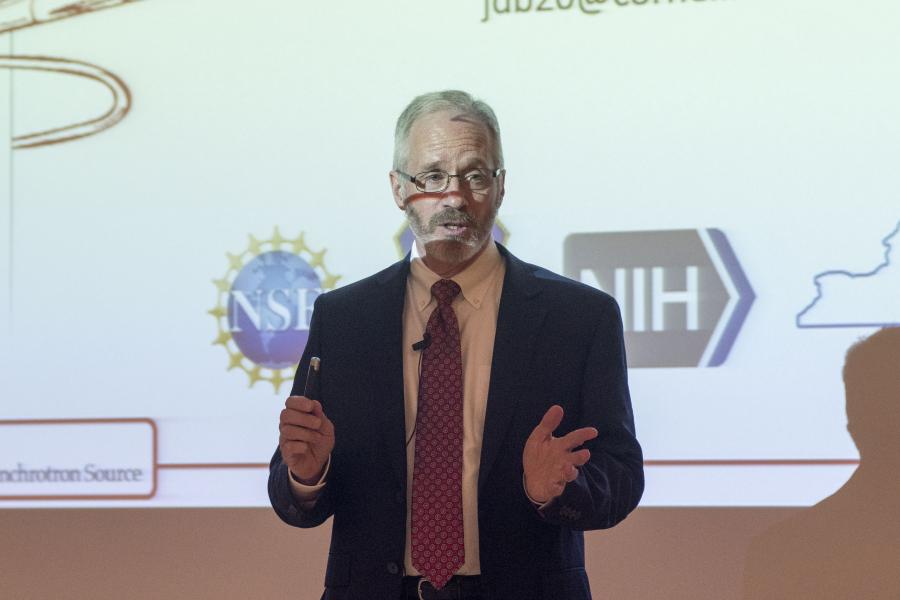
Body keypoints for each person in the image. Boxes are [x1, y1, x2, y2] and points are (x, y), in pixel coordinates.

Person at [268, 90, 644, 600]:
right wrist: (308, 473)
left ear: (501, 186)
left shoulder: (578, 318)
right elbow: (295, 494)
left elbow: (620, 475)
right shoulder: (343, 319)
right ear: (399, 188)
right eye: (432, 177)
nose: (455, 197)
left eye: (475, 175)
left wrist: (557, 490)